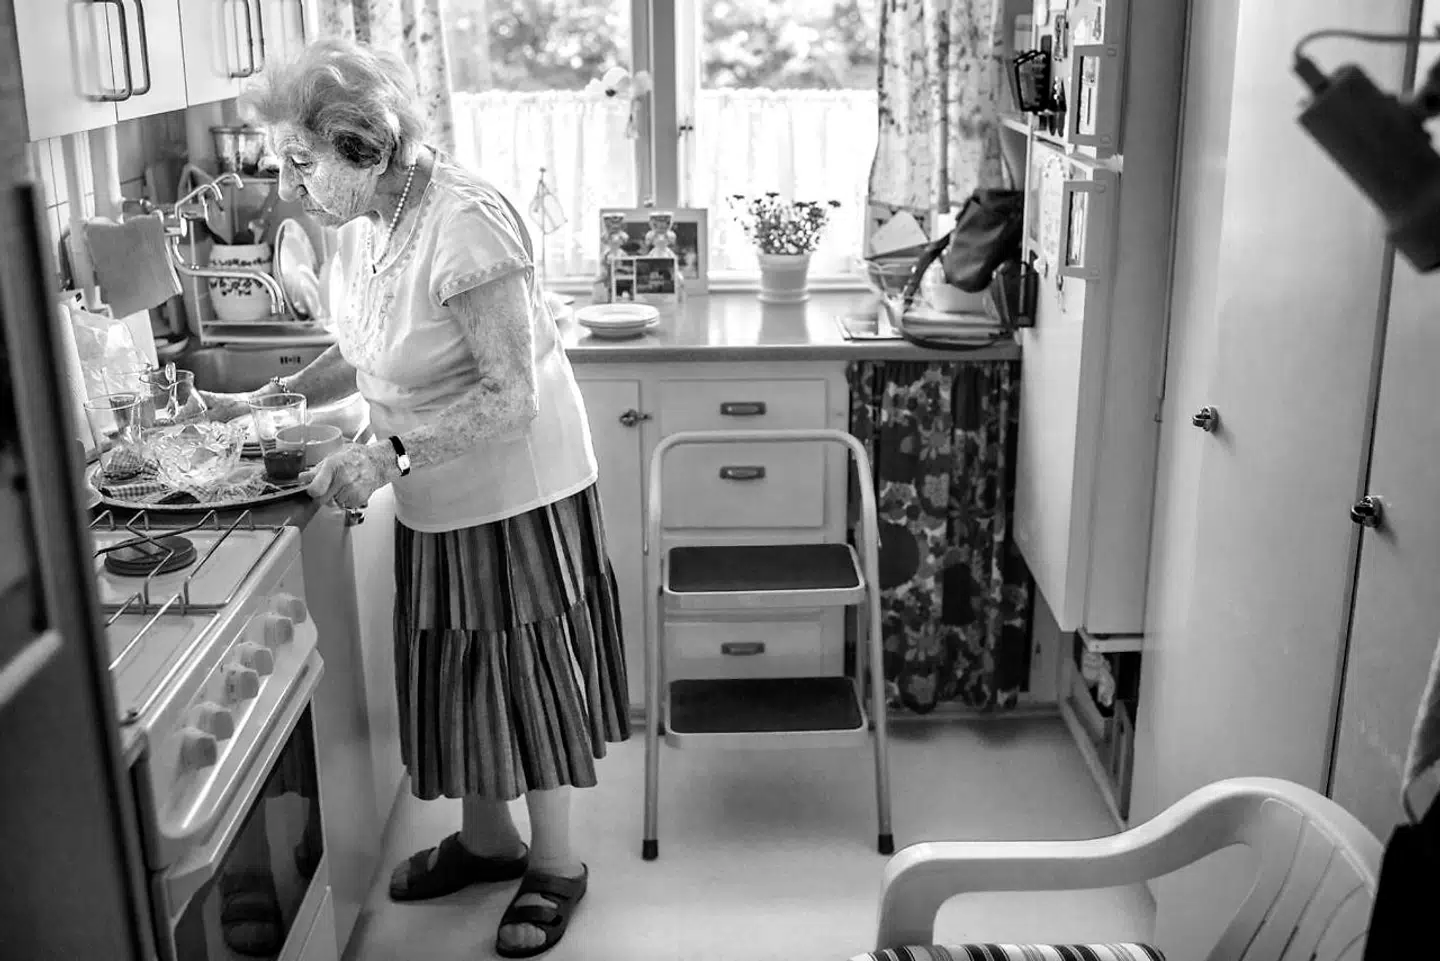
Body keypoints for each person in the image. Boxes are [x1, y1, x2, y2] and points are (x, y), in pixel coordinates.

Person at [202, 38, 630, 959]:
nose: (288, 183)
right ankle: (488, 842)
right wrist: (266, 400)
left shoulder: (466, 223)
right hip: (432, 482)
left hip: (518, 492)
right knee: (462, 664)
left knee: (522, 666)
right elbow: (365, 348)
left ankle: (556, 865)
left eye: (301, 161)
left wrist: (386, 454)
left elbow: (510, 395)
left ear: (362, 146)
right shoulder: (368, 223)